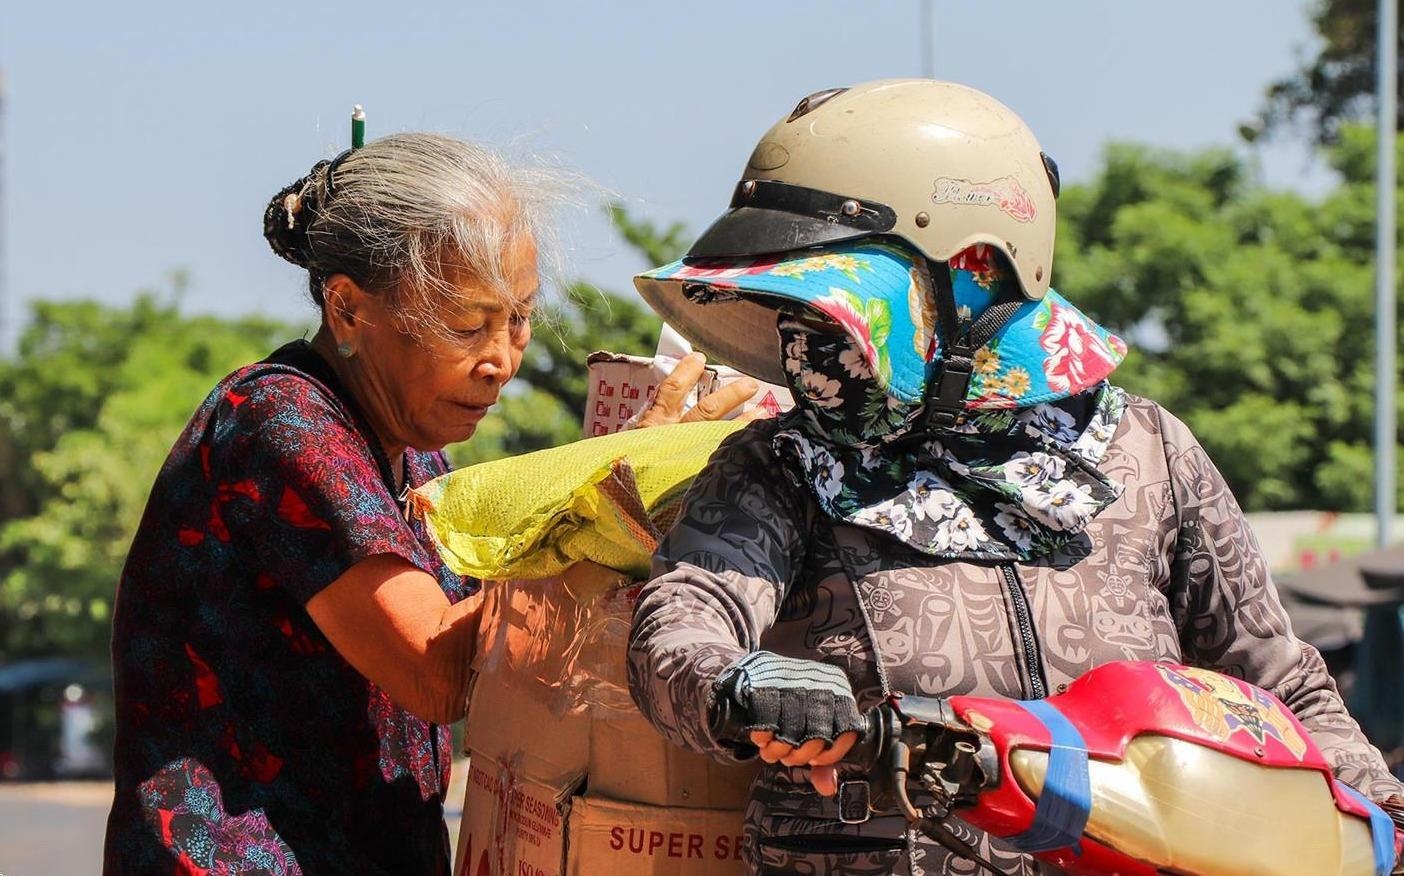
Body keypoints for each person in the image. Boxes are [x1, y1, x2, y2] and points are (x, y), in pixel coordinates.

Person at [626, 79, 1404, 875]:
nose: (804, 353)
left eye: (841, 309)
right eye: (797, 316)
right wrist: (740, 679)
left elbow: (1281, 686)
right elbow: (681, 625)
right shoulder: (775, 463)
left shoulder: (1147, 450)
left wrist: (1384, 819)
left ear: (978, 271)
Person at [101, 132, 755, 874]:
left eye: (519, 318)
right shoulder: (283, 425)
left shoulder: (415, 453)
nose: (502, 360)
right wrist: (616, 490)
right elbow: (438, 671)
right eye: (466, 325)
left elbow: (499, 636)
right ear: (347, 310)